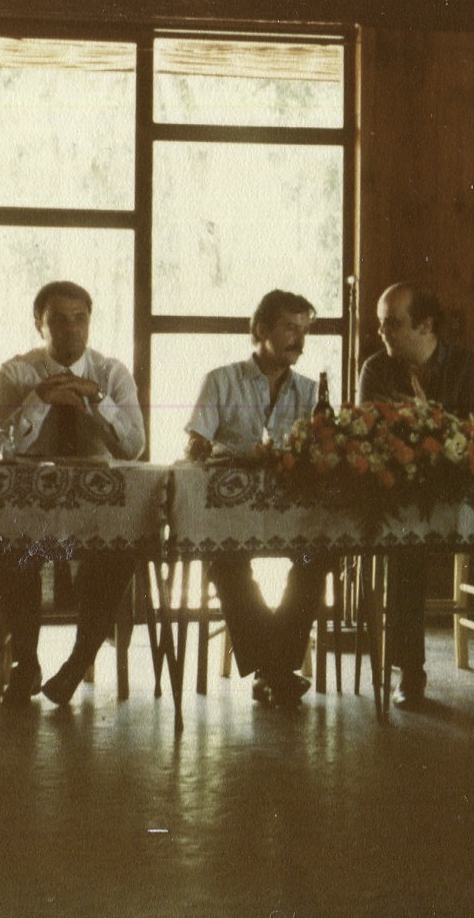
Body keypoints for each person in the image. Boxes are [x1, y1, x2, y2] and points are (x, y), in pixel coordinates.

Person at [357, 282, 474, 707]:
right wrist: (433, 430)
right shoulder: (375, 369)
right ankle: (409, 674)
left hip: (462, 490)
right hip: (404, 492)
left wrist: (421, 420)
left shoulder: (468, 365)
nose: (382, 332)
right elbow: (369, 435)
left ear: (425, 325)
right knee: (403, 551)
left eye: (392, 323)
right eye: (381, 323)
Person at [0, 280, 146, 706]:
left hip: (96, 511)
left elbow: (134, 448)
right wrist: (38, 399)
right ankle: (25, 663)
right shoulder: (17, 373)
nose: (71, 329)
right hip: (33, 509)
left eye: (80, 319)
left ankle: (78, 663)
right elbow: (3, 448)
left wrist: (99, 400)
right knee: (9, 546)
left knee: (119, 549)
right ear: (39, 324)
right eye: (58, 319)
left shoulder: (111, 374)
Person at [185, 289, 331, 707]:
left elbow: (323, 451)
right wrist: (202, 446)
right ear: (261, 329)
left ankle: (272, 668)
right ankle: (278, 670)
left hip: (291, 516)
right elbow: (196, 446)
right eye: (290, 328)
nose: (299, 339)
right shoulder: (221, 380)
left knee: (317, 558)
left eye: (304, 330)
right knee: (226, 562)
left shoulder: (310, 391)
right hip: (233, 513)